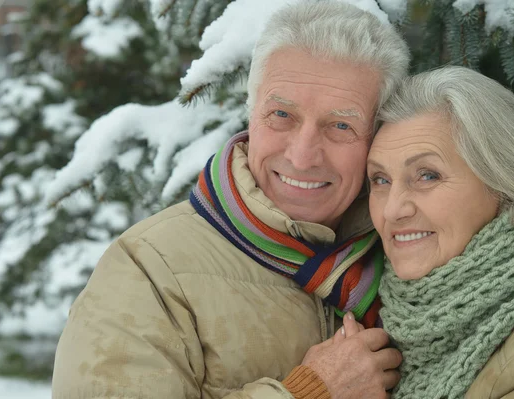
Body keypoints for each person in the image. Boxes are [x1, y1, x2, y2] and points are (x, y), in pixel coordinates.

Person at [51, 1, 410, 398]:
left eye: (341, 125)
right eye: (282, 115)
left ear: (378, 135)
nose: (302, 155)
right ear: (251, 114)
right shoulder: (149, 268)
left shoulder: (411, 257)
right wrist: (311, 392)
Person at [361, 66, 514, 398]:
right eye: (380, 180)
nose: (392, 210)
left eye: (427, 175)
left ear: (503, 182)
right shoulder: (380, 308)